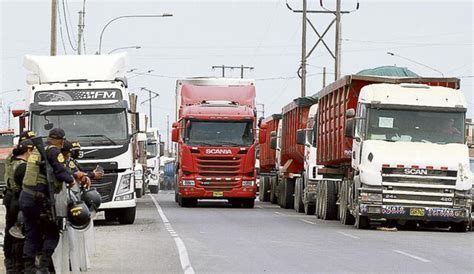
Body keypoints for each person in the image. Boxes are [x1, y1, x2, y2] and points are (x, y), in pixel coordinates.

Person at [19, 128, 87, 273]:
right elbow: (60, 171)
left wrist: (74, 174)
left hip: (26, 197)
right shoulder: (53, 151)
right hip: (38, 199)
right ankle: (42, 266)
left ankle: (29, 268)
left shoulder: (39, 149)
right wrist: (72, 181)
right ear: (61, 141)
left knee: (32, 233)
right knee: (53, 232)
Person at [3, 138, 34, 273]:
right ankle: (16, 265)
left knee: (11, 233)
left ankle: (11, 264)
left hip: (11, 198)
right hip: (18, 199)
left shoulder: (12, 159)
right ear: (28, 150)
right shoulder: (23, 166)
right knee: (18, 234)